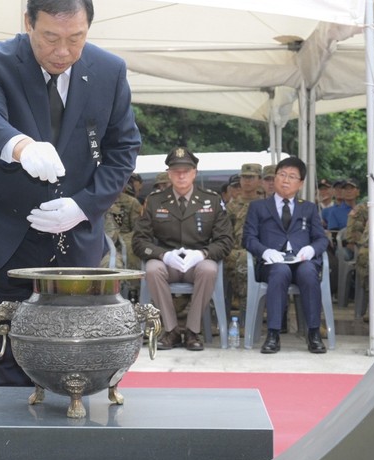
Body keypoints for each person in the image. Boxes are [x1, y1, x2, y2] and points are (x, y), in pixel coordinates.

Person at [0, 0, 140, 385]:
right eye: (49, 38)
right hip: (7, 232)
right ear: (28, 23)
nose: (63, 51)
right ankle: (6, 443)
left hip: (74, 236)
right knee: (5, 345)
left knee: (75, 352)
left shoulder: (108, 70)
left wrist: (83, 206)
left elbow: (123, 149)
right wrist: (21, 146)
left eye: (75, 38)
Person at [133, 148, 233, 351]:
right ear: (169, 173)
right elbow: (139, 241)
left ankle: (192, 331)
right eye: (176, 170)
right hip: (167, 263)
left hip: (197, 263)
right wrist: (163, 255)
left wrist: (202, 254)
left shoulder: (211, 200)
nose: (181, 175)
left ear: (194, 173)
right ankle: (170, 330)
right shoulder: (154, 201)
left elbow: (225, 240)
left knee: (209, 269)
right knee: (152, 269)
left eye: (186, 170)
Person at [243, 156, 329, 354]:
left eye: (292, 176)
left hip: (301, 260)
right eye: (282, 174)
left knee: (309, 273)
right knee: (280, 272)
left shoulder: (308, 207)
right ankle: (273, 333)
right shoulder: (258, 207)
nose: (285, 180)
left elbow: (321, 239)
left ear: (300, 183)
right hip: (272, 262)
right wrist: (265, 251)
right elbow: (248, 238)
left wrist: (311, 249)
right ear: (274, 178)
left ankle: (314, 332)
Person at [223, 162, 263, 320]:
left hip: (259, 252)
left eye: (251, 177)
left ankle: (247, 319)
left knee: (246, 262)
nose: (247, 181)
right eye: (244, 177)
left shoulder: (265, 205)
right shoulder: (231, 207)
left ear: (259, 180)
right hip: (234, 252)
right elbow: (224, 233)